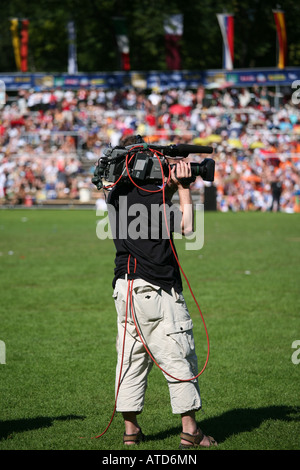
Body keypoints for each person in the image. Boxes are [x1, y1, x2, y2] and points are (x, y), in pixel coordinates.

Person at [106, 135, 217, 449]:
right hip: (158, 288)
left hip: (124, 289)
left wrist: (168, 185)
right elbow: (187, 227)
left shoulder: (115, 194)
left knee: (129, 360)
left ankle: (130, 432)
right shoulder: (150, 194)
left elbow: (149, 198)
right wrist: (183, 189)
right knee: (177, 356)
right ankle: (191, 432)